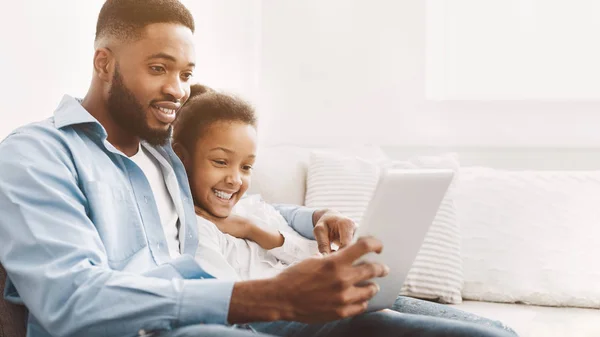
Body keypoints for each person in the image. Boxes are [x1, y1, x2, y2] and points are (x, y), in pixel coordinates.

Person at [0, 1, 517, 336]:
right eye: (159, 69)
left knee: (482, 334)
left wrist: (311, 216)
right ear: (104, 63)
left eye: (185, 74)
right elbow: (72, 302)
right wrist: (264, 296)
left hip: (235, 320)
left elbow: (239, 209)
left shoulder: (163, 156)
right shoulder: (37, 155)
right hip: (167, 329)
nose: (177, 90)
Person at [172, 84, 517, 334]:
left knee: (498, 327)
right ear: (181, 158)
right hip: (299, 318)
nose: (234, 179)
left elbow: (321, 258)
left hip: (338, 298)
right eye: (220, 162)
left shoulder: (255, 209)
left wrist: (262, 234)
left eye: (246, 167)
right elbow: (236, 305)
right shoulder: (195, 229)